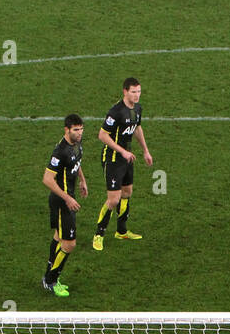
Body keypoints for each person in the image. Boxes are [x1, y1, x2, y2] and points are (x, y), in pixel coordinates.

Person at [93, 78, 153, 250]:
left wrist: (145, 151)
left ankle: (121, 231)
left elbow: (137, 128)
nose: (137, 95)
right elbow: (102, 135)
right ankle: (98, 234)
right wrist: (122, 151)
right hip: (113, 158)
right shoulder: (116, 111)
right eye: (133, 92)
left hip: (127, 157)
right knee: (113, 200)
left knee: (127, 192)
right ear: (125, 91)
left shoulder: (138, 109)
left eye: (139, 91)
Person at [42, 114, 86, 297]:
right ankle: (51, 280)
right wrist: (67, 198)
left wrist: (83, 180)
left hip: (68, 199)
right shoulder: (60, 151)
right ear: (66, 130)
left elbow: (76, 163)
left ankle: (49, 273)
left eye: (81, 129)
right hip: (62, 203)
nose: (79, 133)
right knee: (70, 245)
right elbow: (47, 179)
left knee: (59, 237)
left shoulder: (76, 145)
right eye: (75, 130)